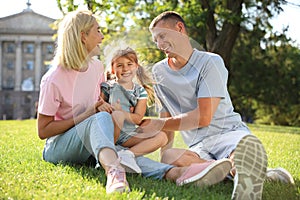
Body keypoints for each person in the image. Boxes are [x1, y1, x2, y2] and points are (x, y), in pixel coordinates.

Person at [37, 9, 233, 195]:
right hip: (59, 147)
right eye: (98, 30)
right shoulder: (53, 78)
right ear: (83, 36)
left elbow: (102, 100)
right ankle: (114, 173)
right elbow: (43, 131)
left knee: (122, 150)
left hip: (92, 143)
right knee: (103, 124)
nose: (102, 36)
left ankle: (177, 173)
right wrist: (88, 114)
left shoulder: (96, 68)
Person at [137, 11, 294, 200]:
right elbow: (166, 116)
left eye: (162, 36)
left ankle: (241, 174)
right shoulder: (159, 71)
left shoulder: (210, 62)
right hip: (197, 145)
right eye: (155, 40)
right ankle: (252, 174)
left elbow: (204, 117)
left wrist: (157, 125)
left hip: (227, 132)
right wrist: (166, 156)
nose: (159, 45)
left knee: (241, 151)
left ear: (179, 29)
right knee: (169, 157)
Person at [100, 47, 168, 173]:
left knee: (163, 137)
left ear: (136, 67)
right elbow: (99, 104)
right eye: (120, 65)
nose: (125, 69)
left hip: (128, 136)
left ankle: (127, 155)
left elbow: (137, 118)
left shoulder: (139, 92)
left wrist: (123, 113)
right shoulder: (107, 87)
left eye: (129, 64)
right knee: (117, 116)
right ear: (113, 69)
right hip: (111, 132)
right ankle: (111, 150)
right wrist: (104, 106)